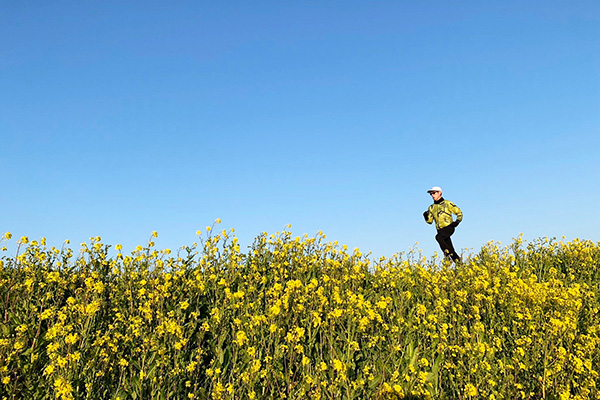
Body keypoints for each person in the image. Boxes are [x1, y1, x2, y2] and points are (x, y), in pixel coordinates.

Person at [423, 186, 462, 263]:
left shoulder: (447, 203)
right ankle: (460, 264)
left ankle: (447, 258)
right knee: (450, 249)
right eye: (431, 194)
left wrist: (457, 221)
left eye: (434, 193)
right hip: (440, 230)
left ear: (440, 193)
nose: (432, 195)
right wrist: (425, 216)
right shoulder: (431, 208)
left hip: (448, 227)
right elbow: (430, 222)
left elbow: (459, 213)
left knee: (438, 237)